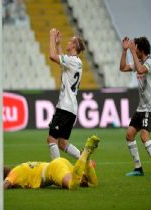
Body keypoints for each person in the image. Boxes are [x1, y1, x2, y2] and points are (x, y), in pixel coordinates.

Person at [119, 36, 151, 178]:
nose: (135, 50)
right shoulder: (139, 60)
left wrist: (132, 52)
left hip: (150, 108)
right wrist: (125, 50)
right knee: (130, 134)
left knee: (144, 136)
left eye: (136, 47)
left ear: (141, 49)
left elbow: (140, 70)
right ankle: (138, 168)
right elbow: (123, 68)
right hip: (141, 108)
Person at [0, 134, 100, 190]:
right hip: (60, 163)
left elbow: (6, 184)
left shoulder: (13, 175)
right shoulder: (20, 167)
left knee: (72, 186)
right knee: (91, 183)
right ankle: (87, 159)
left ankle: (85, 152)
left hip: (53, 170)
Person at [47, 28, 85, 160]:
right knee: (62, 143)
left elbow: (52, 56)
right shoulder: (76, 61)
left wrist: (51, 37)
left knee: (51, 139)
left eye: (70, 41)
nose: (67, 42)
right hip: (71, 108)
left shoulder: (72, 61)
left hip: (64, 107)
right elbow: (64, 63)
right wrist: (58, 45)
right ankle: (83, 158)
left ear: (75, 46)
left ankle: (58, 170)